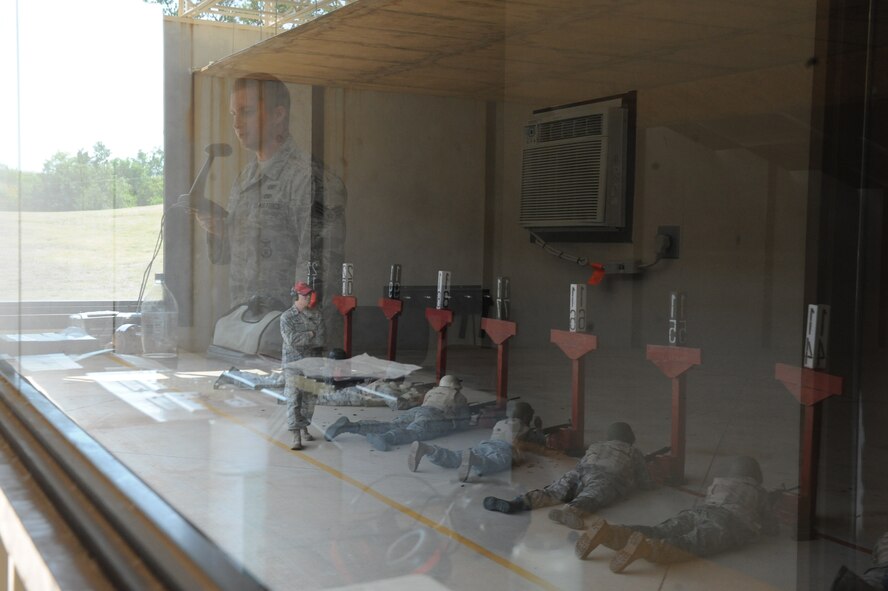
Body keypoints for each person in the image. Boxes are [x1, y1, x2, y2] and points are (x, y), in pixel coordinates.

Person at [195, 73, 345, 320]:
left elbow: (319, 275)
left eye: (247, 111)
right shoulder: (245, 179)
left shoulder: (310, 180)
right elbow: (231, 258)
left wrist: (295, 335)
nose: (237, 123)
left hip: (289, 337)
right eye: (234, 114)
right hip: (246, 329)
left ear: (278, 114)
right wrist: (219, 229)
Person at [574, 455, 777, 574]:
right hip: (727, 522)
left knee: (659, 529)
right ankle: (648, 549)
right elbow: (770, 527)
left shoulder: (719, 482)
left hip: (699, 511)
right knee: (689, 542)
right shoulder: (759, 491)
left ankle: (612, 533)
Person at [482, 422, 654, 530]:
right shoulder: (633, 452)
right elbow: (645, 482)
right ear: (630, 437)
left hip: (580, 471)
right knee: (592, 496)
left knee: (552, 491)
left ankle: (517, 503)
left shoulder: (597, 445)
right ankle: (570, 511)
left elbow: (583, 462)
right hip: (607, 476)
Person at [324, 375, 471, 451]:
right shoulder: (458, 397)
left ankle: (351, 426)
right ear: (456, 386)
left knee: (392, 424)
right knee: (415, 433)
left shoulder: (433, 391)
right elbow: (464, 422)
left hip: (418, 411)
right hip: (435, 416)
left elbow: (423, 403)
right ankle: (385, 438)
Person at [407, 401, 545, 482]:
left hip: (486, 444)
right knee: (494, 463)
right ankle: (474, 460)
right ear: (527, 416)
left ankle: (429, 450)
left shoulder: (501, 422)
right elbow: (537, 443)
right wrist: (539, 428)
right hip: (504, 449)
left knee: (456, 457)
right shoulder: (524, 428)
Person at [281, 281, 326, 450]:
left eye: (309, 294)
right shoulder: (286, 317)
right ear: (295, 296)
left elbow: (321, 339)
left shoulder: (316, 315)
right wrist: (310, 333)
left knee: (309, 399)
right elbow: (291, 340)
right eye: (304, 295)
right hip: (293, 364)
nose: (308, 297)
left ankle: (304, 426)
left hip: (312, 363)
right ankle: (295, 435)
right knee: (293, 397)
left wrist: (306, 337)